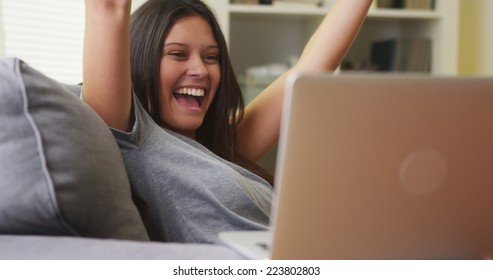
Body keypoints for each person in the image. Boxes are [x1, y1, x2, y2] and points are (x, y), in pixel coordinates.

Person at [83, 0, 372, 243]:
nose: (200, 69)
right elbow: (107, 8)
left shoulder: (224, 146)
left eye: (211, 57)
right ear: (137, 60)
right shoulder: (134, 137)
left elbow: (310, 68)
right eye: (177, 54)